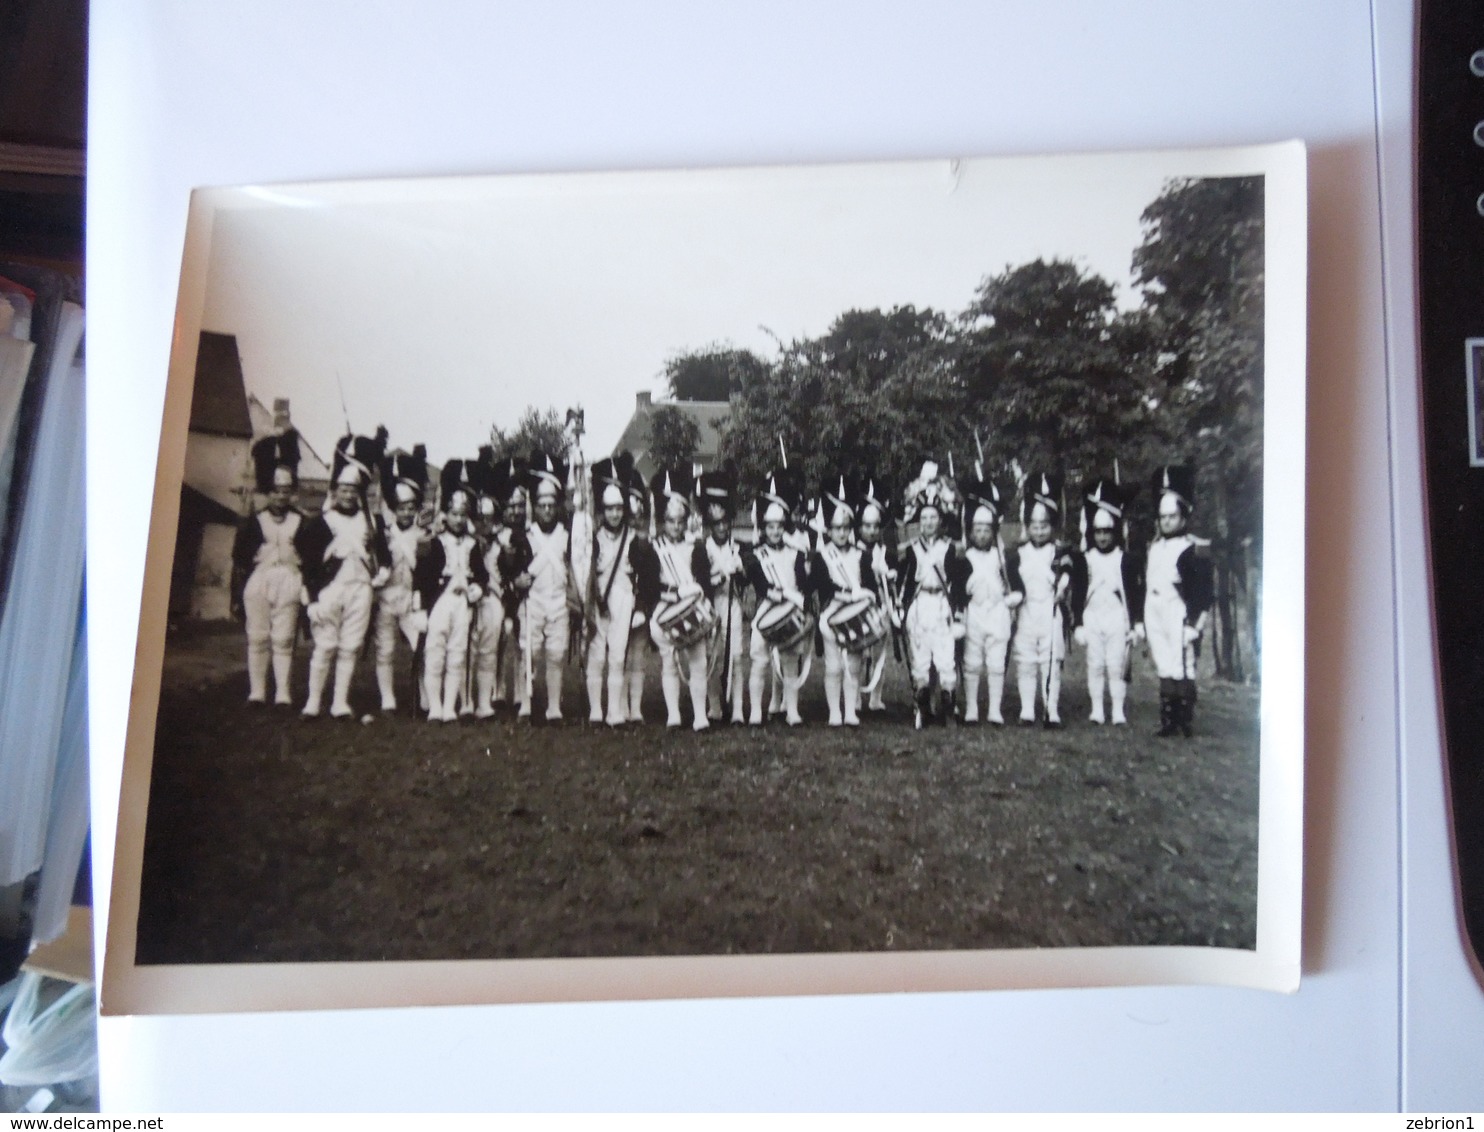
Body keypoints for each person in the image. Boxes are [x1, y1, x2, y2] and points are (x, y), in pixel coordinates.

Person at [295, 428, 391, 718]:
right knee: (325, 646)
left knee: (350, 647)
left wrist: (382, 573)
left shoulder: (371, 522)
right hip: (329, 590)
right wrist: (310, 600)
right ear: (334, 491)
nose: (348, 495)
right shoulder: (320, 523)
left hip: (361, 588)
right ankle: (313, 702)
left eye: (353, 490)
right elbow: (308, 565)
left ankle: (340, 703)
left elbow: (384, 556)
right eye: (343, 490)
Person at [581, 452, 656, 726]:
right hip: (599, 599)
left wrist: (639, 606)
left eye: (618, 508)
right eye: (609, 509)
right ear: (602, 509)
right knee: (596, 654)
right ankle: (595, 710)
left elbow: (642, 576)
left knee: (617, 655)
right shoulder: (593, 539)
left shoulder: (634, 540)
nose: (614, 514)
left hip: (624, 599)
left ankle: (614, 710)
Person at [1140, 465, 1214, 737]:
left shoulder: (1193, 548)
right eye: (1163, 517)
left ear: (1184, 517)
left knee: (1183, 661)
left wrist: (1195, 624)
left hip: (1178, 610)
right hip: (1155, 608)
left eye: (1172, 516)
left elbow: (1204, 592)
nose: (1167, 522)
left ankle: (1184, 719)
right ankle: (1168, 719)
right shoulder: (1155, 547)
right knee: (1164, 662)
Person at [231, 429, 303, 707]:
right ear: (267, 492)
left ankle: (283, 692)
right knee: (258, 636)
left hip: (290, 581)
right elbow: (240, 558)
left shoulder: (300, 522)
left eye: (285, 491)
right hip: (259, 582)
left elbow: (308, 555)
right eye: (275, 491)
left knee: (284, 637)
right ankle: (257, 691)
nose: (280, 497)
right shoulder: (255, 521)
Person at [504, 449, 575, 722]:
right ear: (535, 505)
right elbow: (510, 570)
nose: (547, 510)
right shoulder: (523, 536)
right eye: (542, 505)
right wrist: (516, 581)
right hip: (532, 601)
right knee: (529, 651)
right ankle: (524, 702)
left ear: (557, 505)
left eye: (551, 505)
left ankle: (554, 706)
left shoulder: (566, 536)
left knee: (556, 653)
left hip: (559, 600)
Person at [413, 464, 487, 722]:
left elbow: (481, 575)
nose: (457, 519)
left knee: (457, 655)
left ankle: (449, 707)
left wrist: (476, 589)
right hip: (438, 603)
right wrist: (420, 609)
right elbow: (420, 579)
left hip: (462, 603)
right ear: (446, 514)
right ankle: (434, 706)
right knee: (435, 653)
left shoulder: (472, 545)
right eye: (453, 514)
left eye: (462, 514)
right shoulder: (434, 543)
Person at [899, 461, 969, 728]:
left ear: (941, 521)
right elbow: (905, 583)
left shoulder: (951, 549)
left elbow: (960, 583)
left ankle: (949, 706)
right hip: (919, 605)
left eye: (933, 518)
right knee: (920, 657)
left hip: (942, 606)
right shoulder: (911, 549)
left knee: (945, 656)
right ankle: (922, 707)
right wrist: (900, 606)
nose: (929, 523)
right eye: (924, 518)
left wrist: (959, 611)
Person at [1007, 470, 1078, 728]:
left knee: (1050, 660)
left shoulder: (1059, 551)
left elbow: (1069, 572)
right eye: (1034, 526)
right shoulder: (1019, 552)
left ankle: (1051, 709)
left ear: (1052, 525)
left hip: (1050, 611)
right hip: (1026, 612)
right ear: (1028, 525)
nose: (1039, 531)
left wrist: (1063, 584)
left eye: (1044, 526)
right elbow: (1012, 577)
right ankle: (1027, 709)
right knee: (1026, 659)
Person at [1070, 478, 1145, 726]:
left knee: (1116, 664)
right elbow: (1079, 593)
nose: (1102, 537)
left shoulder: (1126, 560)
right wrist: (1077, 623)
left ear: (1115, 532)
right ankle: (1097, 710)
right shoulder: (1085, 559)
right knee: (1095, 664)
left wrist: (1137, 624)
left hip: (1117, 617)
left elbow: (1135, 593)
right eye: (1098, 532)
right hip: (1093, 616)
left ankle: (1118, 711)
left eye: (1107, 532)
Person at [744, 467, 812, 726]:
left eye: (778, 527)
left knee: (790, 660)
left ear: (785, 527)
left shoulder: (795, 553)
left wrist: (805, 576)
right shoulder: (754, 554)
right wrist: (778, 593)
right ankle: (756, 712)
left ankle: (792, 710)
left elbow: (802, 584)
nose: (774, 532)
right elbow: (760, 585)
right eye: (769, 527)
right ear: (764, 527)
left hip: (790, 612)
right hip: (766, 612)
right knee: (759, 661)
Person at [648, 465, 713, 730]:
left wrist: (702, 600)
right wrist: (669, 598)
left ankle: (700, 715)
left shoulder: (696, 547)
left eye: (680, 521)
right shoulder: (655, 549)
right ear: (663, 521)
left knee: (698, 660)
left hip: (692, 605)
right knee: (669, 661)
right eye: (670, 521)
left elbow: (704, 581)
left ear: (686, 521)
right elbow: (650, 587)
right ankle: (673, 713)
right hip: (666, 606)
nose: (675, 526)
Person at [811, 475, 878, 727]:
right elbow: (825, 587)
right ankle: (834, 712)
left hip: (856, 614)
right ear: (828, 530)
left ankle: (850, 710)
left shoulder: (862, 555)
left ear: (851, 530)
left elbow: (870, 584)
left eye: (846, 528)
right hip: (832, 614)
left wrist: (869, 596)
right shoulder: (821, 556)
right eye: (837, 528)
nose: (841, 533)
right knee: (834, 665)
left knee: (854, 663)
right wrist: (851, 594)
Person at [372, 445, 430, 713]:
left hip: (411, 599)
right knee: (385, 649)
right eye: (401, 508)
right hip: (386, 597)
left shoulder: (423, 535)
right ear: (393, 508)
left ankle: (424, 695)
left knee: (422, 647)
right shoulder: (383, 534)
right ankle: (387, 698)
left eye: (410, 508)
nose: (406, 513)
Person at [958, 475, 1018, 725]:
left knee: (995, 662)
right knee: (971, 662)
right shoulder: (965, 557)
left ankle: (995, 709)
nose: (982, 535)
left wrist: (1014, 597)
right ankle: (971, 707)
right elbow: (959, 591)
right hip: (974, 613)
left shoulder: (1003, 557)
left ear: (994, 531)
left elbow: (1015, 584)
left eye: (987, 530)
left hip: (997, 613)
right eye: (978, 530)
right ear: (971, 532)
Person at [697, 463, 747, 724]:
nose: (722, 528)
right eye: (717, 523)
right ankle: (715, 705)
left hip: (732, 604)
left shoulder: (737, 547)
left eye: (726, 522)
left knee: (736, 655)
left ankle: (737, 708)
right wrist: (719, 576)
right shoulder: (702, 549)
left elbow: (747, 579)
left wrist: (740, 571)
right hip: (709, 606)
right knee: (711, 657)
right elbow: (702, 582)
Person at [854, 473, 898, 715]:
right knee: (861, 652)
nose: (871, 531)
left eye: (875, 526)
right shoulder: (855, 552)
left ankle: (876, 697)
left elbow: (892, 576)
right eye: (866, 526)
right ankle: (856, 697)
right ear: (859, 527)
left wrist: (890, 575)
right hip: (861, 607)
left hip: (881, 606)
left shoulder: (885, 551)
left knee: (880, 651)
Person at [490, 455, 531, 717]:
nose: (515, 511)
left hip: (525, 597)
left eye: (520, 505)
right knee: (497, 637)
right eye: (510, 505)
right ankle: (497, 689)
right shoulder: (495, 535)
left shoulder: (530, 533)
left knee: (522, 641)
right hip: (498, 594)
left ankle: (520, 691)